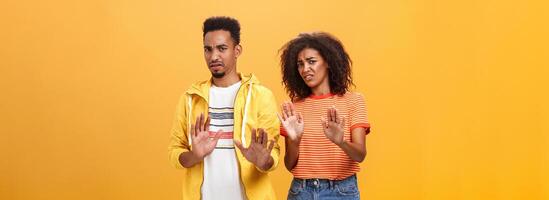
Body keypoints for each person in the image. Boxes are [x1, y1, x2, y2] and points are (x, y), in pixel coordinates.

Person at [168, 16, 280, 200]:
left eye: (222, 48)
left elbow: (272, 152)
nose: (214, 56)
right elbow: (174, 151)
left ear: (237, 50)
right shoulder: (190, 98)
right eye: (208, 49)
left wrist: (264, 161)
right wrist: (194, 156)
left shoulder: (261, 95)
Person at [278, 32, 371, 200]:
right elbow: (289, 164)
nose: (305, 69)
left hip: (341, 191)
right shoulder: (294, 107)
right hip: (301, 191)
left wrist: (340, 141)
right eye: (300, 64)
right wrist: (294, 141)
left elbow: (360, 155)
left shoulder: (354, 101)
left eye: (311, 61)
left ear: (328, 62)